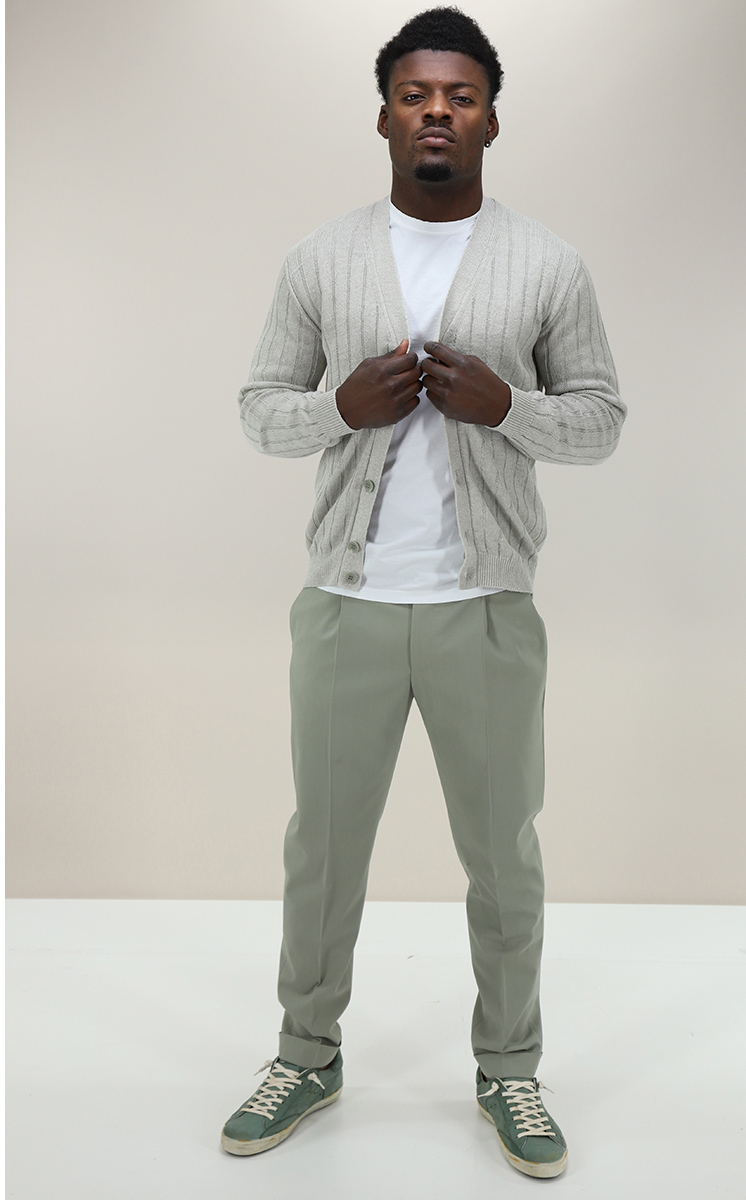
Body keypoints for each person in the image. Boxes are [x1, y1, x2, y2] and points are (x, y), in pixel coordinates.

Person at [220, 6, 625, 1179]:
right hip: (344, 606)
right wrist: (336, 409)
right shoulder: (321, 259)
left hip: (485, 610)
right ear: (385, 117)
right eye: (414, 94)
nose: (436, 111)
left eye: (459, 95)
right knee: (322, 851)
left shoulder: (548, 264)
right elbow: (259, 410)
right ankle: (307, 1053)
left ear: (490, 119)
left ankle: (510, 1070)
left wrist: (511, 408)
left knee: (503, 856)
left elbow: (601, 420)